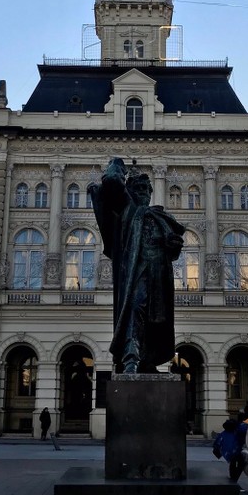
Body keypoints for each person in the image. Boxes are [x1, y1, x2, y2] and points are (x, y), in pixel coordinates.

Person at [88, 157, 185, 374]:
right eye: (138, 188)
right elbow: (112, 180)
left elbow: (173, 252)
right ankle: (130, 357)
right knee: (136, 308)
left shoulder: (161, 217)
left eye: (146, 188)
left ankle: (147, 361)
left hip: (158, 274)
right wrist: (118, 164)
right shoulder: (127, 210)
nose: (143, 192)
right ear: (130, 191)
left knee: (156, 318)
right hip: (137, 271)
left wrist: (174, 246)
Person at [212, 418, 248, 483]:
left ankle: (233, 477)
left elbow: (217, 443)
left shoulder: (224, 434)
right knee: (241, 462)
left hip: (229, 452)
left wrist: (217, 451)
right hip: (235, 451)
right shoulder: (237, 432)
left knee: (233, 462)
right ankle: (235, 478)